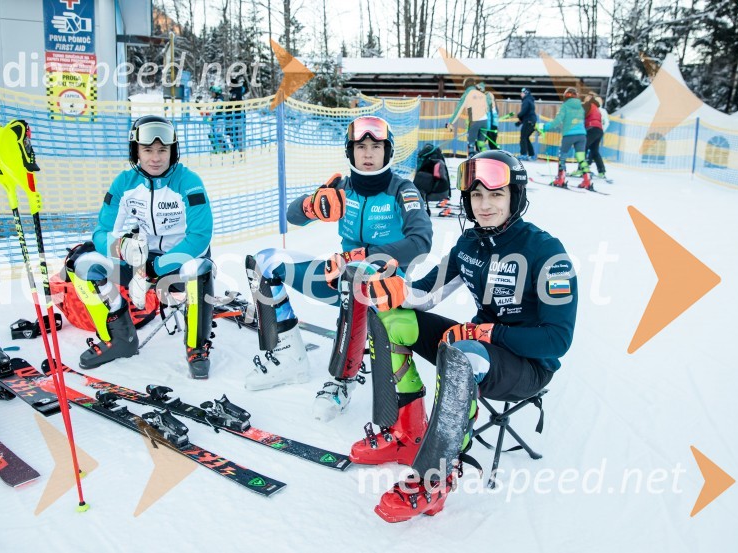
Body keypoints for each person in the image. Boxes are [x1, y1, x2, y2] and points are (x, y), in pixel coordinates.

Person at [352, 150, 577, 522]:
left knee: (464, 352)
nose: (484, 205)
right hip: (477, 344)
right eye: (476, 196)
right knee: (391, 319)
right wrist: (390, 288)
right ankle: (406, 433)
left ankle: (436, 475)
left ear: (515, 197)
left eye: (496, 194)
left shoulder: (547, 253)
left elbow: (557, 341)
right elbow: (424, 295)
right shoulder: (469, 245)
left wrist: (489, 331)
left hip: (527, 365)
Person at [243, 115, 433, 422]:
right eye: (360, 146)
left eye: (376, 146)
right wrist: (311, 205)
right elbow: (293, 216)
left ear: (387, 152)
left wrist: (365, 255)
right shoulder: (342, 188)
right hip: (341, 275)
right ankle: (289, 356)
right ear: (350, 152)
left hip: (384, 290)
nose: (368, 153)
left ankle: (342, 381)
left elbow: (421, 241)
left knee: (354, 275)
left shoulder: (403, 190)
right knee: (265, 261)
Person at [64, 115, 215, 378]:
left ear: (172, 151)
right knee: (83, 264)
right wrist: (119, 247)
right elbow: (102, 231)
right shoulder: (124, 183)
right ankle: (118, 338)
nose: (155, 158)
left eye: (162, 150)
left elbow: (200, 236)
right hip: (139, 259)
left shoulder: (189, 182)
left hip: (177, 261)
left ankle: (196, 347)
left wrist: (157, 265)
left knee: (199, 268)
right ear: (136, 151)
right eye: (147, 150)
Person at [536, 86, 591, 189]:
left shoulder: (565, 106)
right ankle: (587, 180)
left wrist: (544, 127)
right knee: (581, 158)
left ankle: (561, 179)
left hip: (569, 135)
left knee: (563, 156)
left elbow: (557, 121)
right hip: (582, 135)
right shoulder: (581, 107)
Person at [445, 80, 489, 156]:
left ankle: (471, 161)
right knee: (481, 144)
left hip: (474, 121)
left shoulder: (467, 94)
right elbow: (487, 109)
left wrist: (450, 123)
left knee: (471, 144)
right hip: (485, 121)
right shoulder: (482, 95)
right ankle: (484, 159)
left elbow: (458, 110)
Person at [582, 95, 608, 180]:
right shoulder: (599, 109)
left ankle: (582, 169)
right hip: (598, 130)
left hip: (592, 129)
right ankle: (601, 171)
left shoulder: (591, 107)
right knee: (594, 151)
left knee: (583, 148)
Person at [226, 74, 248, 152]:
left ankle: (240, 151)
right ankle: (237, 149)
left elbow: (232, 105)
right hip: (235, 116)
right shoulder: (234, 92)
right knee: (234, 134)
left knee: (238, 135)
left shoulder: (237, 91)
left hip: (238, 116)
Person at [515, 87, 537, 160]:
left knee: (523, 137)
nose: (520, 94)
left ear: (525, 93)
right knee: (526, 138)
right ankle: (532, 155)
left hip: (529, 121)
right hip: (531, 121)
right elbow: (527, 113)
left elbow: (524, 111)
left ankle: (523, 154)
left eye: (522, 93)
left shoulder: (526, 101)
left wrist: (519, 115)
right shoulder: (530, 100)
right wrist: (520, 121)